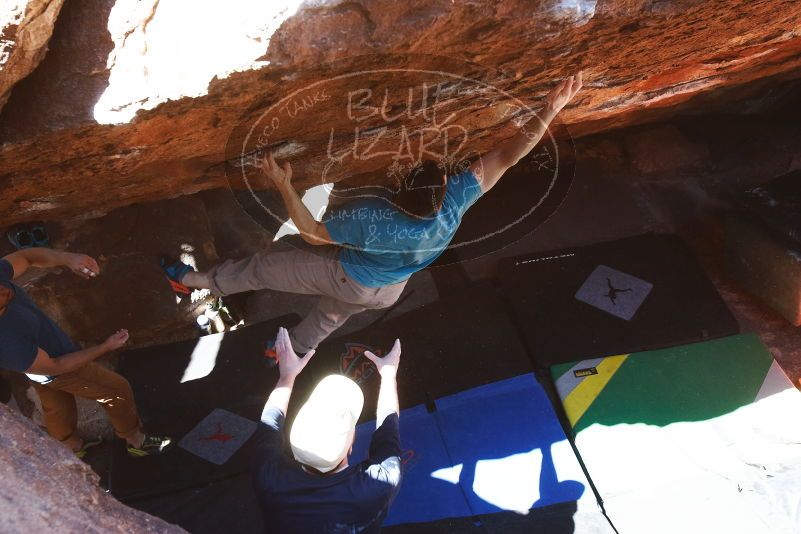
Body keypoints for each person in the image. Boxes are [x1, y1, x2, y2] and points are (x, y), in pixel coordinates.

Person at [164, 73, 584, 354]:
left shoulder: (371, 220)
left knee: (263, 268)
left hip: (351, 274)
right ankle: (290, 352)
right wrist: (550, 109)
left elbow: (312, 233)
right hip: (389, 287)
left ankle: (193, 281)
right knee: (330, 315)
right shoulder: (453, 199)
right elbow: (509, 157)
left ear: (398, 196)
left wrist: (283, 184)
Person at [0, 247, 172, 457]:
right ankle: (135, 439)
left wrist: (69, 259)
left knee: (56, 407)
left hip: (36, 362)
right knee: (117, 390)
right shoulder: (6, 342)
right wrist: (105, 347)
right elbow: (57, 366)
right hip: (55, 366)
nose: (5, 289)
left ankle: (71, 446)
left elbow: (27, 257)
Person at [252, 327, 402, 533]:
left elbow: (271, 420)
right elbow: (389, 427)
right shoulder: (381, 484)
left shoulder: (268, 478)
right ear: (351, 446)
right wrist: (388, 374)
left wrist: (287, 376)